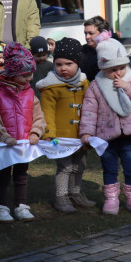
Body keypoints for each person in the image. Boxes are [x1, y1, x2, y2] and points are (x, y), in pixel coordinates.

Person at [79, 38, 131, 215]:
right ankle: (111, 199)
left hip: (129, 136)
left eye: (121, 68)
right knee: (109, 168)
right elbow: (89, 111)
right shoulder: (96, 86)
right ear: (103, 68)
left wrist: (127, 87)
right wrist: (86, 132)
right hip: (106, 137)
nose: (118, 73)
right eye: (112, 69)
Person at [0, 43, 46, 223]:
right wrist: (3, 136)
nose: (30, 78)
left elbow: (38, 115)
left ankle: (21, 205)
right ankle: (1, 208)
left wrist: (35, 132)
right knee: (3, 176)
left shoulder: (29, 93)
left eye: (31, 74)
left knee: (21, 175)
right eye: (25, 75)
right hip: (4, 145)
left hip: (23, 143)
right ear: (12, 73)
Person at [36, 38, 93, 213]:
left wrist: (91, 129)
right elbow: (47, 112)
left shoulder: (84, 83)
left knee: (79, 166)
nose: (63, 68)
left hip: (80, 135)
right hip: (61, 137)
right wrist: (49, 133)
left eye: (69, 64)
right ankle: (61, 198)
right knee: (65, 167)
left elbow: (91, 107)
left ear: (77, 63)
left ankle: (75, 193)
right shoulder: (50, 87)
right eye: (59, 64)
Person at [80, 16, 114, 81]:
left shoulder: (113, 50)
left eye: (91, 33)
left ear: (103, 33)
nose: (87, 37)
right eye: (85, 33)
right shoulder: (81, 51)